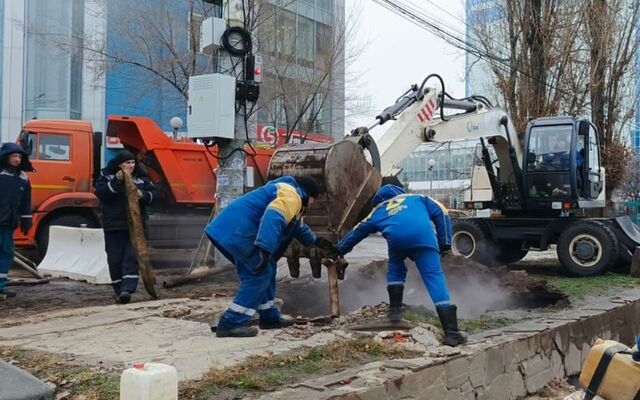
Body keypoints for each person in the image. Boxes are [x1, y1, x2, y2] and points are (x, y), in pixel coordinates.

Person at [205, 176, 337, 338]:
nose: (312, 205)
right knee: (259, 275)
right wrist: (265, 249)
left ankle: (269, 317)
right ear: (309, 195)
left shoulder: (287, 194)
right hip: (238, 233)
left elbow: (297, 226)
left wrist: (318, 242)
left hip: (230, 231)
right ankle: (230, 324)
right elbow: (273, 217)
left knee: (269, 268)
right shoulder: (293, 195)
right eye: (313, 201)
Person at [335, 184, 467, 346]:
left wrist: (338, 250)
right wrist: (445, 243)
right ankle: (451, 333)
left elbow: (357, 231)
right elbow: (442, 212)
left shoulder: (379, 210)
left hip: (397, 241)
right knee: (434, 277)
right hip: (423, 237)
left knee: (395, 266)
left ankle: (395, 312)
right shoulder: (418, 199)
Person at [95, 150, 156, 304]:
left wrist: (143, 194)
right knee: (115, 259)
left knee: (131, 257)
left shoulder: (141, 177)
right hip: (113, 225)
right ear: (119, 165)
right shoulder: (107, 176)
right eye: (127, 163)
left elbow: (154, 194)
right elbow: (102, 193)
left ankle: (127, 289)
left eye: (133, 163)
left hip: (135, 226)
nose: (131, 166)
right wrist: (116, 181)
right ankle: (118, 290)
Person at [0, 143, 33, 298]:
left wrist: (26, 220)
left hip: (9, 222)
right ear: (6, 157)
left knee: (6, 252)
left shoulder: (23, 178)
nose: (17, 159)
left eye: (20, 156)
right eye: (14, 156)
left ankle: (1, 285)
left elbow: (26, 202)